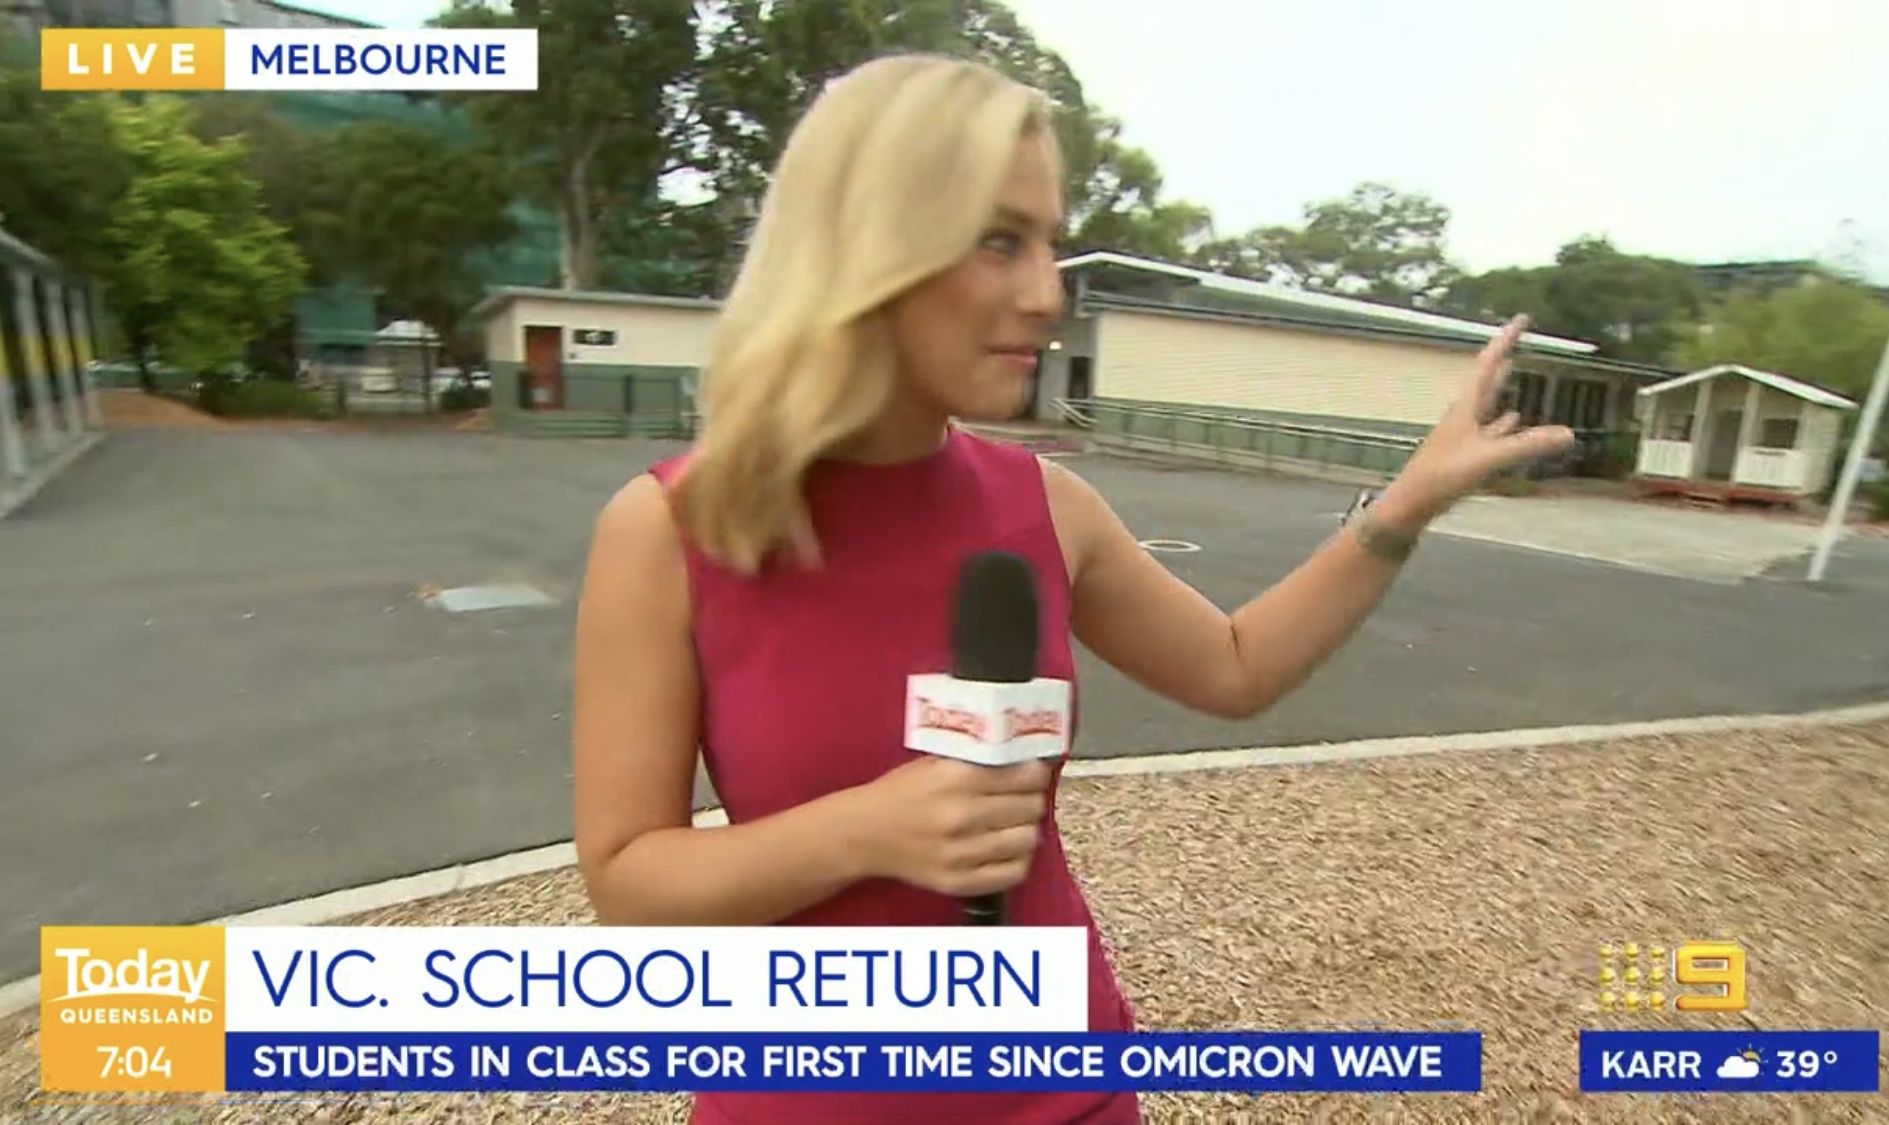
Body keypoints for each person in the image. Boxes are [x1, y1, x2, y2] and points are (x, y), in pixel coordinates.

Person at [571, 53, 1574, 1125]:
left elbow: (1234, 667)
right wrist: (864, 830)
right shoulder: (670, 530)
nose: (1047, 293)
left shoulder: (1043, 504)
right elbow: (629, 883)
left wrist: (1404, 506)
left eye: (1050, 242)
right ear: (863, 245)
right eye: (999, 240)